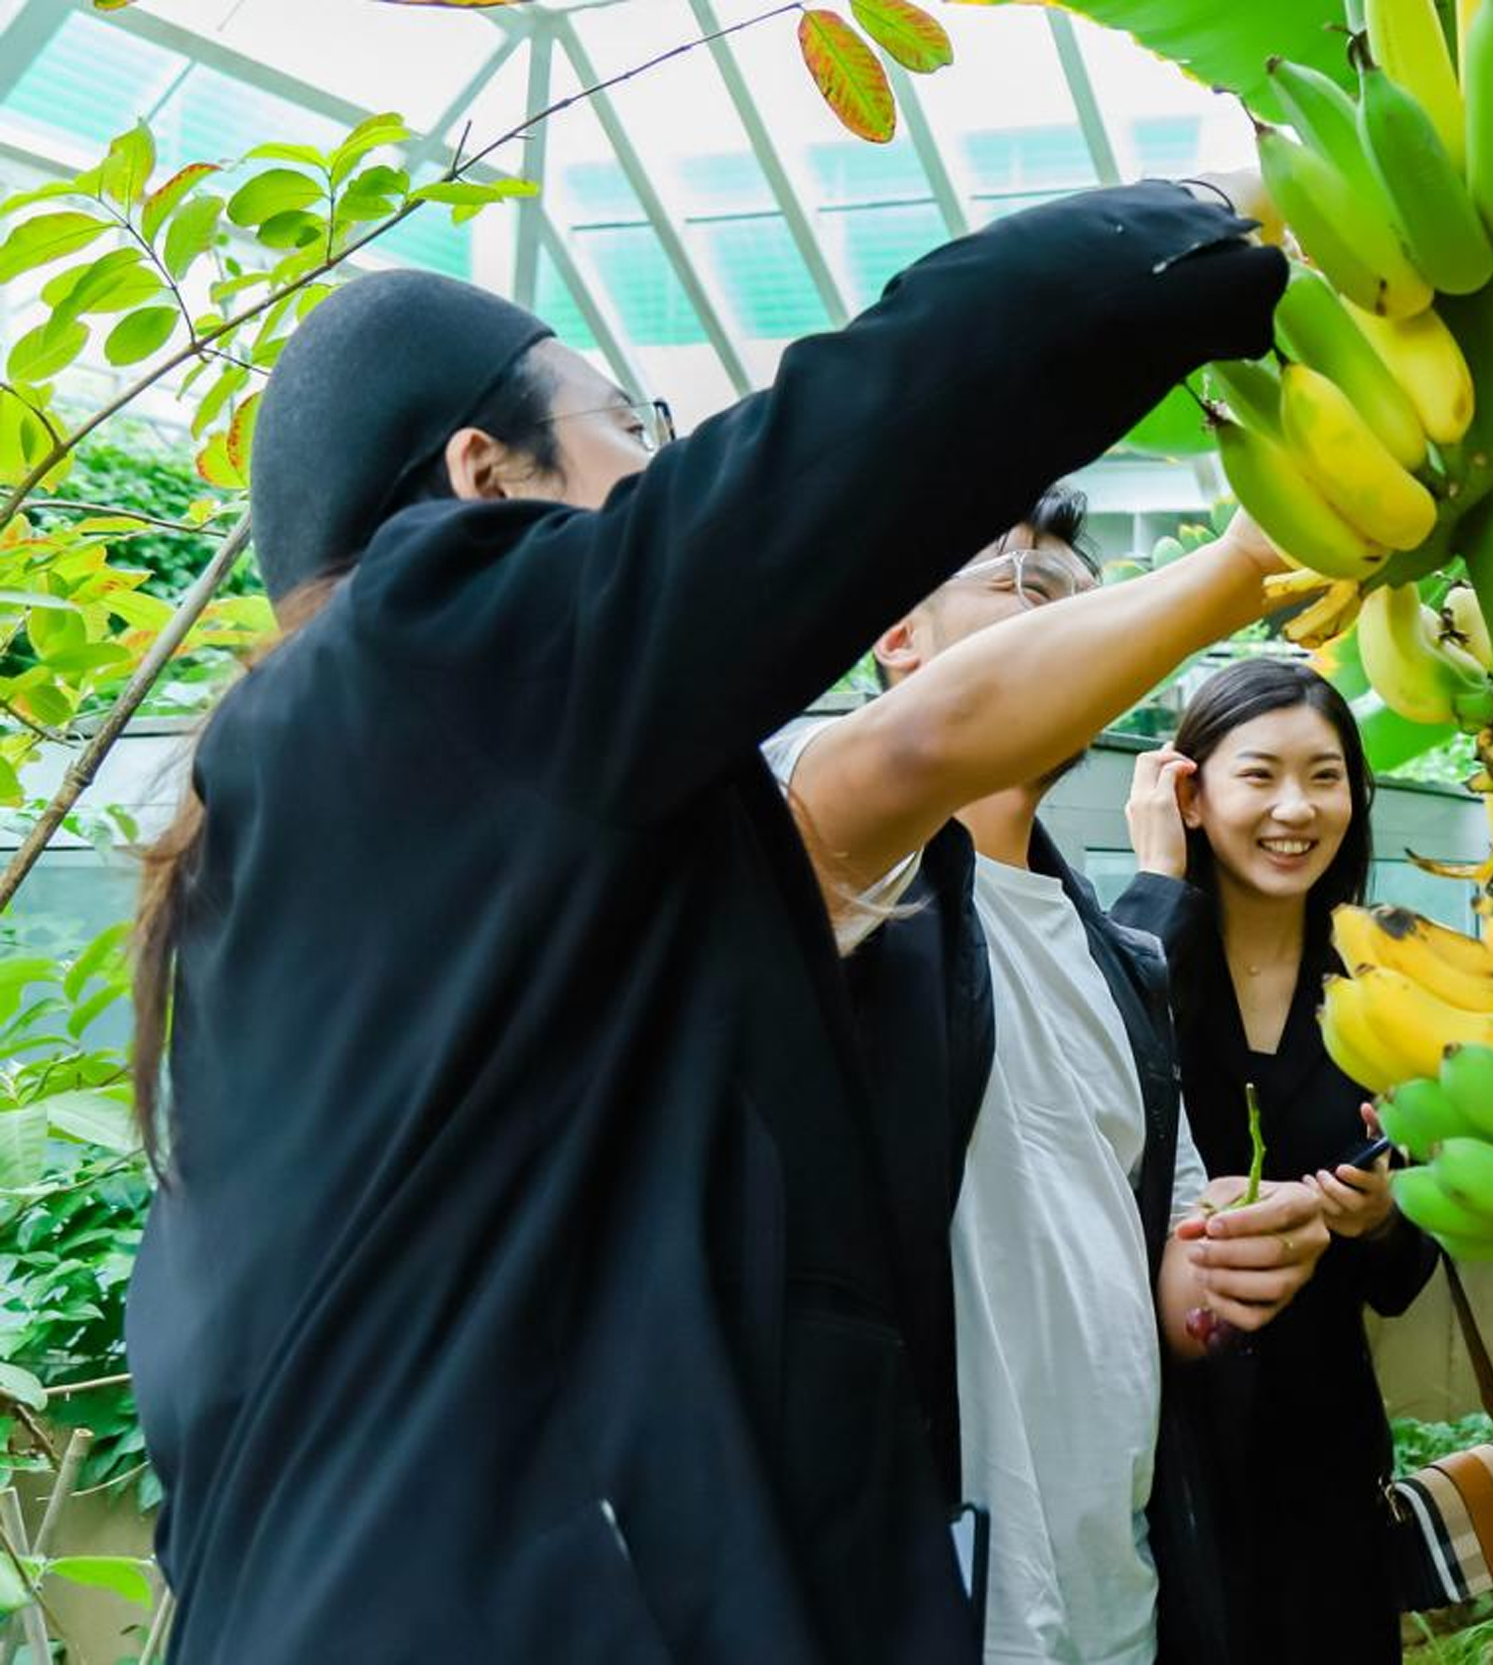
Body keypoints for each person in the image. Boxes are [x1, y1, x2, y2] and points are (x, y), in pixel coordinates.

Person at [122, 175, 1284, 1662]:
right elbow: (839, 455)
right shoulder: (438, 642)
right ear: (486, 475)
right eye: (630, 430)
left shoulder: (310, 846)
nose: (661, 472)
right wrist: (1217, 218)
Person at [766, 497, 1334, 1665]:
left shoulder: (1121, 966)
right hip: (904, 1598)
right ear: (899, 640)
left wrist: (1235, 1260)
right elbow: (926, 745)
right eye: (1024, 591)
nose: (1075, 629)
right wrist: (1240, 562)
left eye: (1089, 604)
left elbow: (1170, 1295)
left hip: (1109, 1597)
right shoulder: (818, 861)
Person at [1115, 657, 1442, 1665]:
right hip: (1155, 1448)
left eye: (1326, 775)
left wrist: (1382, 1214)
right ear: (1190, 791)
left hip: (1321, 1449)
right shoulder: (1125, 947)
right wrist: (1155, 881)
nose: (1294, 808)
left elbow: (1403, 1275)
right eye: (1258, 775)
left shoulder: (1388, 983)